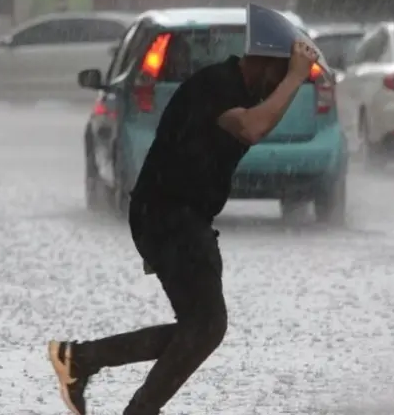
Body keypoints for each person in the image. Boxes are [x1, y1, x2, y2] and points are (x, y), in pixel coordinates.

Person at [47, 39, 319, 415]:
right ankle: (105, 380)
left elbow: (258, 121)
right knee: (206, 327)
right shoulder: (216, 85)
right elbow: (252, 128)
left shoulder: (237, 89)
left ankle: (82, 360)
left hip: (180, 215)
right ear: (262, 61)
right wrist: (295, 77)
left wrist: (290, 77)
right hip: (168, 214)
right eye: (278, 75)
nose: (277, 87)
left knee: (199, 328)